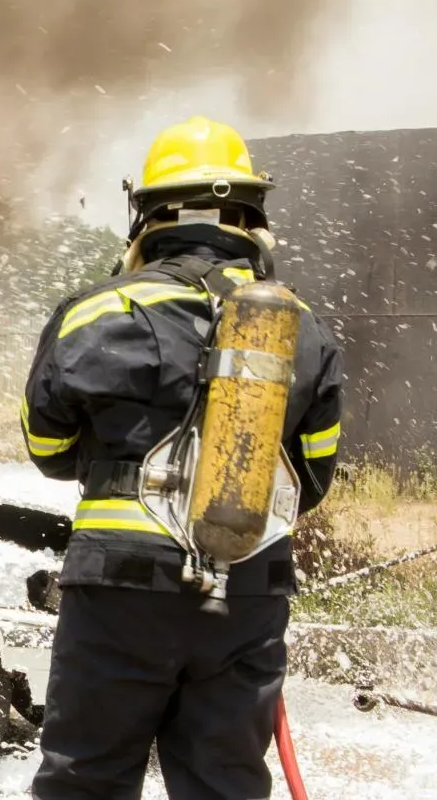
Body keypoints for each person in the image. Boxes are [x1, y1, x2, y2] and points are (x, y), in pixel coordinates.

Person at [21, 116, 345, 799]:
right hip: (247, 592)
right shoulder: (302, 330)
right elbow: (310, 481)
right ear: (251, 216)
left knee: (86, 779)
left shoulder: (93, 312)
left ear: (146, 214)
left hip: (119, 590)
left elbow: (46, 449)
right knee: (223, 784)